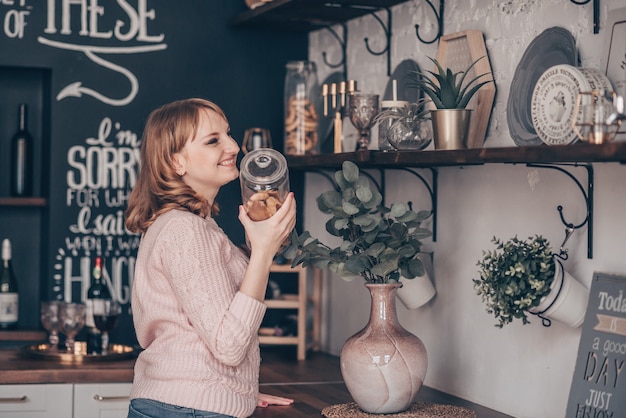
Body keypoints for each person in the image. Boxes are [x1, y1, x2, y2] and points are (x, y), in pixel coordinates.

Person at [124, 98, 297, 418]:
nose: (233, 146)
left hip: (183, 405)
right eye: (213, 140)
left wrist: (232, 392)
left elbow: (201, 321)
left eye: (228, 134)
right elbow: (228, 345)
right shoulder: (185, 230)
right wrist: (262, 252)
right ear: (176, 162)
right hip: (186, 410)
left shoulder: (187, 224)